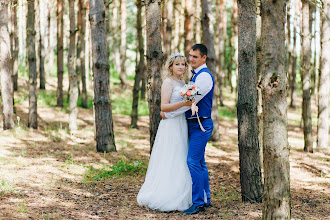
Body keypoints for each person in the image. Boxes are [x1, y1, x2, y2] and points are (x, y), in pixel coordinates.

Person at [161, 44, 214, 214]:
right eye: (190, 56)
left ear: (204, 58)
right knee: (199, 162)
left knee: (192, 161)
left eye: (195, 57)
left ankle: (198, 202)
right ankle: (205, 198)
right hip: (190, 125)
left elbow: (191, 102)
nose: (190, 60)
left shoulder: (204, 77)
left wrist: (167, 114)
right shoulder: (192, 77)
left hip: (201, 125)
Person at [137, 53, 193, 211]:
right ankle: (165, 194)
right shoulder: (168, 83)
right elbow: (164, 107)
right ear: (170, 67)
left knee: (180, 156)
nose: (181, 67)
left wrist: (189, 104)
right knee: (170, 156)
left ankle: (181, 193)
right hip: (170, 126)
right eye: (177, 64)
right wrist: (184, 102)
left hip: (181, 123)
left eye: (183, 64)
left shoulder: (182, 82)